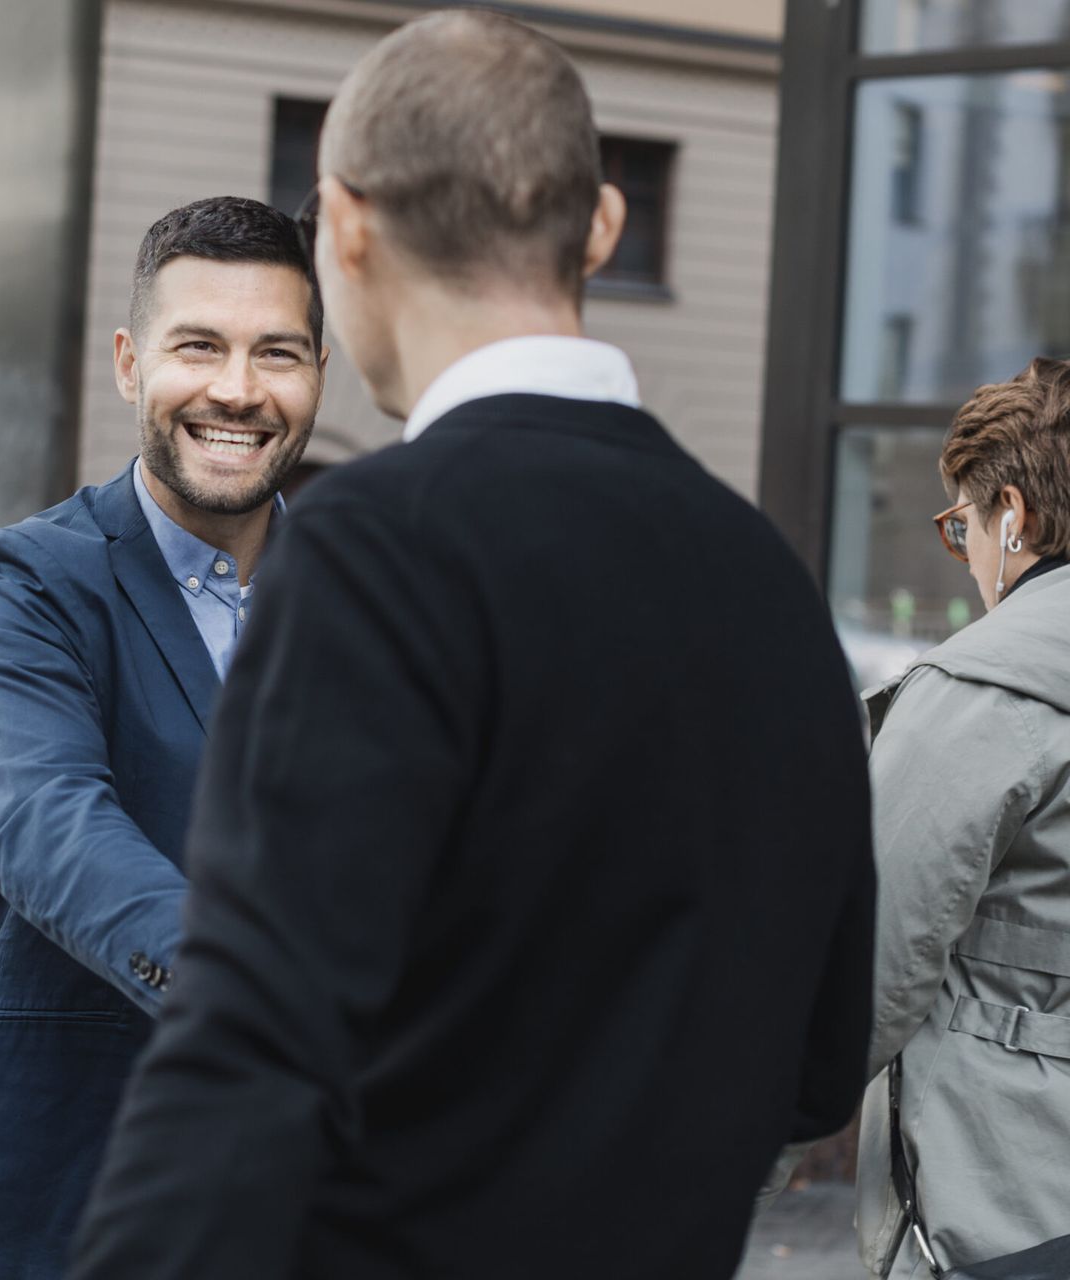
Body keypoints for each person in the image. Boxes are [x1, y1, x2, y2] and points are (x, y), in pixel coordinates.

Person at [69, 13, 875, 1280]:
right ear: (603, 226)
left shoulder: (372, 545)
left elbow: (251, 1055)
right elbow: (823, 1062)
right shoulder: (771, 579)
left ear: (343, 228)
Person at [0, 195, 327, 1280]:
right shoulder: (24, 579)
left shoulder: (368, 596)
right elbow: (43, 823)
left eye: (279, 353)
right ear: (130, 363)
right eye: (198, 346)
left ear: (319, 376)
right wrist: (260, 999)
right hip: (50, 1202)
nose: (238, 389)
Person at [854, 360, 1070, 1279]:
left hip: (1005, 1206)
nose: (970, 553)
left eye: (962, 527)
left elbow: (866, 971)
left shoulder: (985, 688)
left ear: (1010, 514)